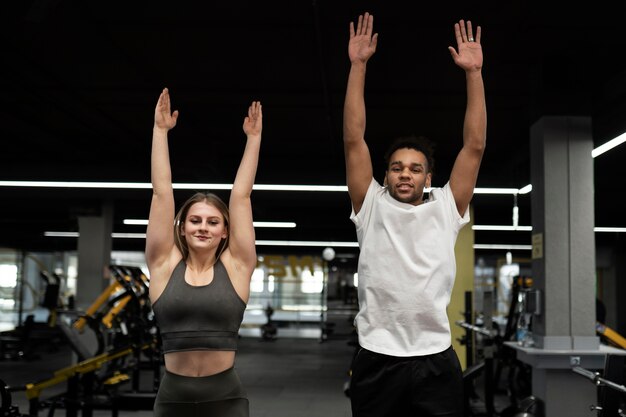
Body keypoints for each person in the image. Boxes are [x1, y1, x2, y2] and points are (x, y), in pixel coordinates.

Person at [343, 12, 486, 417]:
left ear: (428, 177)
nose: (405, 173)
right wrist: (358, 66)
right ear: (386, 174)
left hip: (434, 359)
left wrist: (473, 74)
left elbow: (473, 147)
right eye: (396, 167)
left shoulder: (446, 206)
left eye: (415, 168)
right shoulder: (370, 204)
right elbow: (353, 139)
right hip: (376, 357)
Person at [146, 88, 261, 417]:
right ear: (181, 226)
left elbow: (241, 196)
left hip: (226, 399)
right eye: (195, 220)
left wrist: (253, 139)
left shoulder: (237, 266)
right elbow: (161, 192)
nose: (203, 227)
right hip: (172, 399)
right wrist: (160, 132)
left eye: (213, 222)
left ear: (225, 231)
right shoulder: (163, 265)